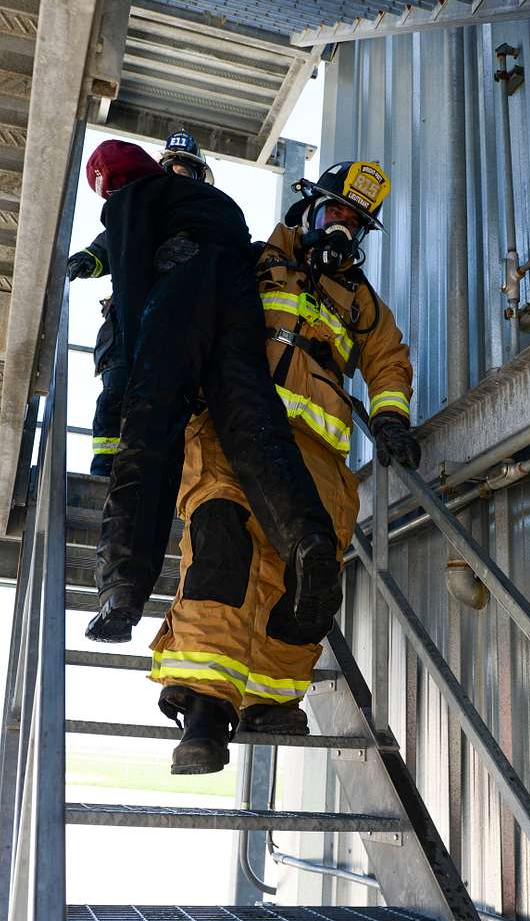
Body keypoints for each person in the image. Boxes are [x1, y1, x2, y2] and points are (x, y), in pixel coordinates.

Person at [149, 161, 421, 773]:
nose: (343, 231)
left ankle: (270, 700)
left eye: (356, 224)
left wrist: (391, 418)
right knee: (222, 551)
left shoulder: (359, 300)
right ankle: (204, 713)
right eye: (335, 214)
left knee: (307, 578)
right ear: (308, 210)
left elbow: (387, 361)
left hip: (320, 458)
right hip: (230, 433)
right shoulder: (251, 260)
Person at [83, 139, 342, 652]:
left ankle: (122, 589)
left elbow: (131, 274)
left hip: (180, 296)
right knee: (254, 425)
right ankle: (307, 543)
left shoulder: (136, 196)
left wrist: (140, 366)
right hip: (236, 304)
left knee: (150, 432)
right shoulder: (221, 207)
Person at [67, 131, 214, 476]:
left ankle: (154, 470)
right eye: (171, 167)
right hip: (123, 326)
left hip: (174, 326)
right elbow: (112, 240)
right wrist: (88, 259)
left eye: (185, 170)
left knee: (162, 403)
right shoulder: (141, 206)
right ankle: (104, 468)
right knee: (115, 393)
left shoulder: (204, 216)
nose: (176, 176)